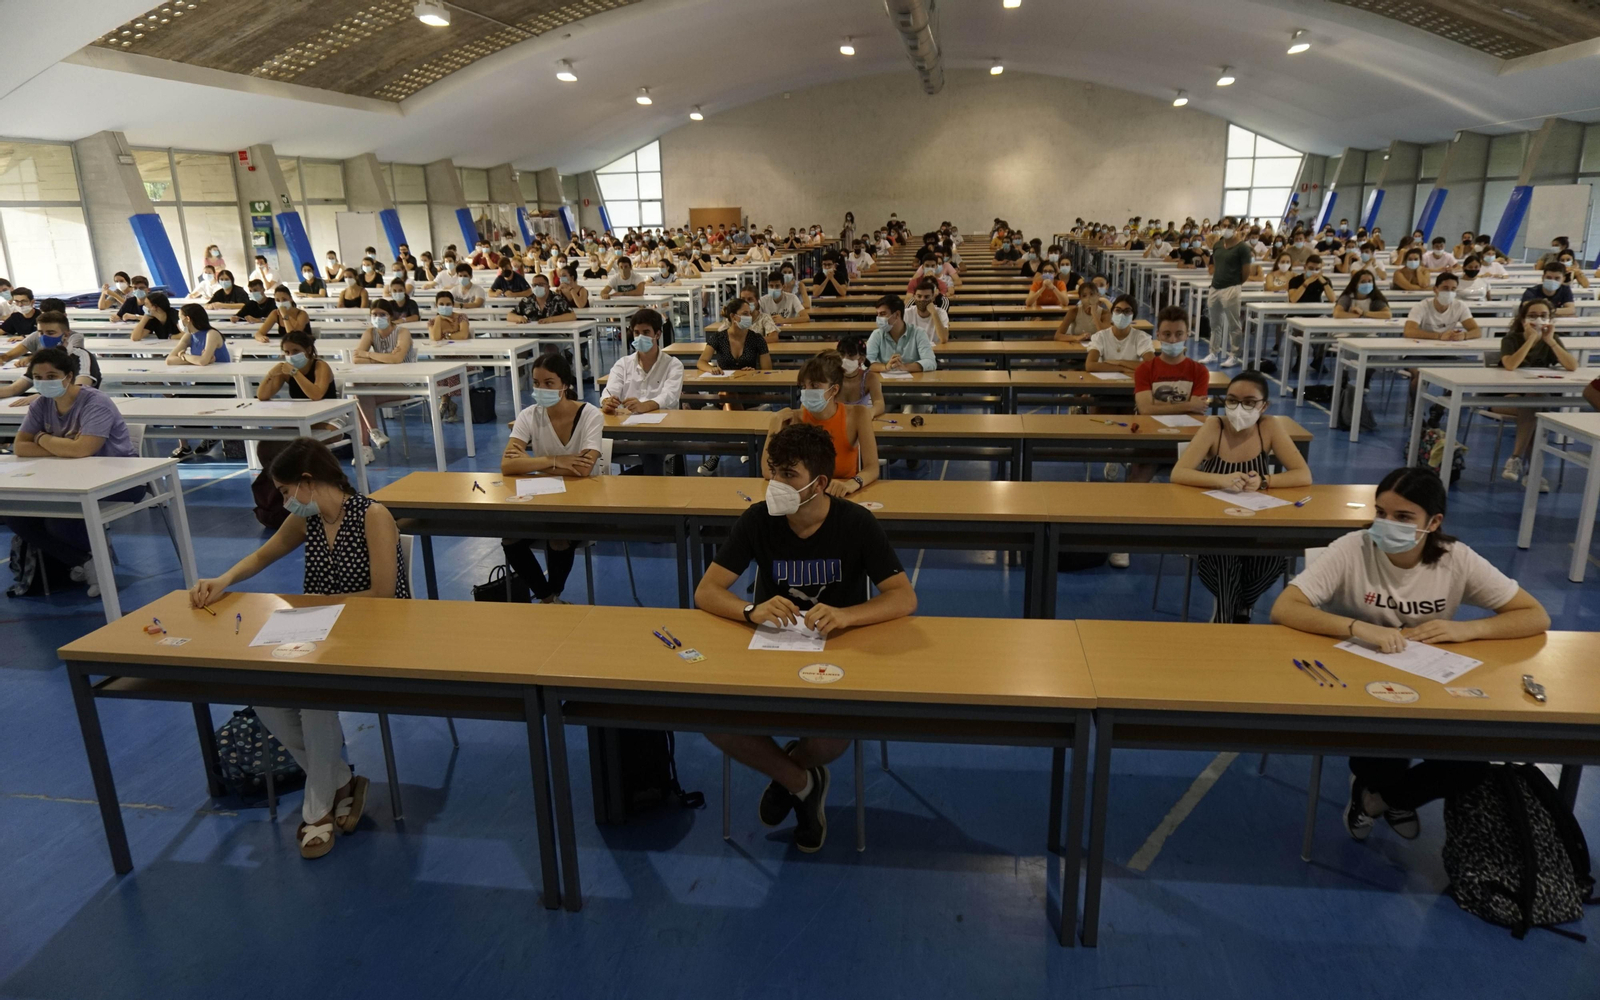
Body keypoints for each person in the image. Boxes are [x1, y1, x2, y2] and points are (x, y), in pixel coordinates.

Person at [1270, 466, 1549, 844]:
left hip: (1433, 681)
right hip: (1360, 683)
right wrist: (1358, 627)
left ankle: (1377, 801)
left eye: (1403, 517)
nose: (1386, 524)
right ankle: (1385, 792)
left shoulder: (1455, 559)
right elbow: (1286, 607)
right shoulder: (1353, 548)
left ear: (1433, 522)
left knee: (1471, 768)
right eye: (1381, 513)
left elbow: (1534, 615)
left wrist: (1468, 628)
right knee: (1382, 757)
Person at [694, 423, 917, 852]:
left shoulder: (856, 523)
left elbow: (903, 597)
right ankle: (800, 781)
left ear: (818, 484)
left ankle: (790, 773)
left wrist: (847, 615)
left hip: (839, 653)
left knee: (833, 735)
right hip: (770, 649)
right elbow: (707, 591)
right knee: (711, 719)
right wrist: (749, 610)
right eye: (772, 472)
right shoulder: (758, 520)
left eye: (788, 476)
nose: (776, 484)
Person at [189, 438, 407, 859]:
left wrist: (317, 606)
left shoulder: (373, 516)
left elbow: (382, 596)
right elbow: (262, 557)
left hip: (375, 637)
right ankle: (341, 780)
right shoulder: (307, 519)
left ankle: (316, 812)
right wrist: (223, 579)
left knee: (313, 701)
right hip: (318, 634)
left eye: (288, 492)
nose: (286, 502)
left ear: (308, 482)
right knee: (265, 696)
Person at [1171, 370, 1311, 621]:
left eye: (1249, 402)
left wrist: (1265, 480)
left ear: (1264, 406)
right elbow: (1179, 472)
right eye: (1232, 400)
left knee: (1273, 555)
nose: (1239, 408)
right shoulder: (1215, 426)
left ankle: (1240, 605)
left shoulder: (1268, 427)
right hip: (1215, 525)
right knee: (1225, 555)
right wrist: (1220, 479)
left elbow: (1302, 474)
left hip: (1255, 523)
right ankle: (1227, 616)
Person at [5, 348, 140, 596]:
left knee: (60, 520)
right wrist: (61, 447)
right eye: (38, 377)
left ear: (68, 376)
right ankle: (86, 560)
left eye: (51, 376)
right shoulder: (41, 404)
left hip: (120, 477)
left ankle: (98, 561)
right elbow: (20, 446)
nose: (44, 382)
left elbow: (83, 449)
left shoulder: (95, 402)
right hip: (69, 478)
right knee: (16, 516)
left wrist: (42, 438)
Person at [500, 354, 600, 604]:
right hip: (542, 498)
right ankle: (548, 598)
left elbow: (584, 469)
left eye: (548, 383)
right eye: (536, 383)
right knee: (509, 537)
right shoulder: (529, 415)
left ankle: (551, 595)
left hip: (584, 502)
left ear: (565, 384)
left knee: (558, 536)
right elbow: (507, 464)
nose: (540, 389)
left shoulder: (590, 415)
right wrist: (552, 461)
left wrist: (531, 463)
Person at [764, 352, 879, 498]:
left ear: (834, 389)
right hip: (806, 495)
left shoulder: (858, 415)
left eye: (814, 385)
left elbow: (872, 467)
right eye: (804, 386)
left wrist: (851, 484)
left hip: (844, 495)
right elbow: (768, 470)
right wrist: (774, 424)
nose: (807, 391)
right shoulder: (794, 419)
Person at [1497, 298, 1579, 488]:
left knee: (1534, 407)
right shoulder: (1511, 339)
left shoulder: (1551, 339)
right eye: (1533, 316)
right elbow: (1510, 365)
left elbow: (1572, 366)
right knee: (1534, 409)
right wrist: (1531, 340)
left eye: (1543, 316)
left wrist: (1550, 341)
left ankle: (1516, 461)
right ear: (1523, 319)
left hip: (1537, 397)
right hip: (1505, 397)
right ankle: (1532, 471)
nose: (1538, 320)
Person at [601, 309, 683, 474]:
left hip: (661, 430)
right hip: (626, 429)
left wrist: (645, 405)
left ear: (657, 334)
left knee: (650, 451)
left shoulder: (673, 365)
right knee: (594, 450)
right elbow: (610, 390)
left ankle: (653, 495)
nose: (640, 337)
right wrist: (607, 402)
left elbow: (669, 396)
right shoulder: (622, 364)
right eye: (636, 332)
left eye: (646, 332)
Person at [0, 311, 100, 399]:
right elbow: (13, 389)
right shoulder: (41, 359)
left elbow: (80, 390)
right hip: (47, 410)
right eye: (40, 333)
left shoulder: (81, 356)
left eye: (50, 333)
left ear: (65, 335)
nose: (44, 337)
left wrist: (41, 397)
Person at [866, 294, 936, 373]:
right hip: (884, 383)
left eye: (883, 314)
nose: (878, 318)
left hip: (914, 383)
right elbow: (865, 362)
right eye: (877, 314)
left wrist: (904, 367)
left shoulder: (918, 333)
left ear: (897, 314)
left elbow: (930, 362)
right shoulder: (877, 334)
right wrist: (885, 367)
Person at [1085, 295, 1153, 376]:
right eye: (1118, 310)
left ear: (1133, 316)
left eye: (1127, 311)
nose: (1121, 315)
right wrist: (1122, 368)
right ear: (1112, 313)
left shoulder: (1141, 337)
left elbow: (1151, 365)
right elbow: (1090, 365)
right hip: (1107, 384)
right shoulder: (1101, 336)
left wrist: (1120, 362)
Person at [1403, 273, 1479, 341]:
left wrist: (1464, 335)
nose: (1449, 292)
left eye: (1453, 289)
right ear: (1435, 289)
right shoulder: (1421, 306)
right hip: (1422, 351)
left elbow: (1476, 330)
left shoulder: (1460, 306)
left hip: (1447, 350)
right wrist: (1439, 336)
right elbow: (1408, 331)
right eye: (1445, 288)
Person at [836, 335, 884, 417]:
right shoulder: (831, 376)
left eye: (851, 355)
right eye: (842, 354)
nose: (844, 359)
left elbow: (879, 403)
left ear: (861, 359)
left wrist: (870, 413)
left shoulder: (869, 378)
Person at [509, 273, 575, 324]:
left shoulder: (557, 299)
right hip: (533, 334)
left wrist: (552, 319)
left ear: (548, 286)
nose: (537, 287)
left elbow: (572, 315)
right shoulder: (527, 300)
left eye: (541, 284)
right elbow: (510, 315)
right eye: (535, 285)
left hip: (555, 334)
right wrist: (519, 318)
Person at [903, 278, 950, 345]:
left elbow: (944, 339)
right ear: (914, 297)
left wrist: (934, 313)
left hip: (934, 352)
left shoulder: (941, 313)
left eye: (926, 297)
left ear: (933, 298)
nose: (922, 299)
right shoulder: (907, 313)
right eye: (919, 296)